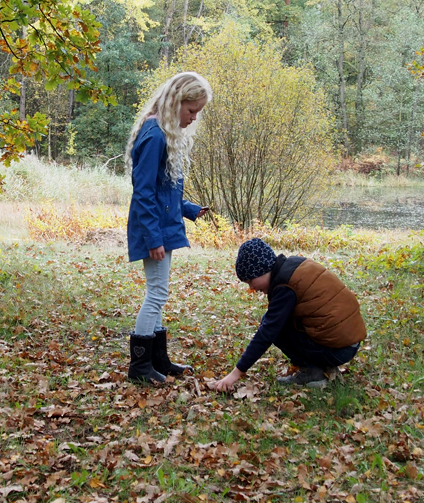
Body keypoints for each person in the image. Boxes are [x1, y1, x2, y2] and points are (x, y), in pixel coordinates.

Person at [125, 71, 212, 384]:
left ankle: (158, 359)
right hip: (154, 231)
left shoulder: (162, 131)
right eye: (191, 111)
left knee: (159, 292)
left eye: (197, 112)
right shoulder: (155, 134)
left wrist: (188, 209)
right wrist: (153, 237)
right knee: (157, 294)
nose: (193, 118)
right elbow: (144, 191)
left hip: (161, 228)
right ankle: (140, 367)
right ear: (176, 103)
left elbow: (165, 189)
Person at [212, 238, 366, 391]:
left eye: (251, 280)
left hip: (339, 350)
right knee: (275, 321)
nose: (251, 287)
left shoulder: (284, 286)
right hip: (348, 343)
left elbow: (267, 333)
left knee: (274, 327)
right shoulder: (293, 265)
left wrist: (236, 373)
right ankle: (319, 367)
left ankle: (312, 372)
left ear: (264, 269)